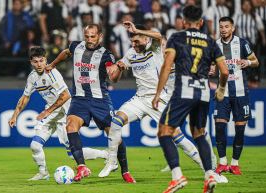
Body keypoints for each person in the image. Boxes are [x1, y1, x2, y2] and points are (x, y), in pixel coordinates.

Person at [99, 21, 206, 183]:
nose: (134, 44)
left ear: (145, 40)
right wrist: (117, 68)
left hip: (159, 99)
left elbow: (158, 36)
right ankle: (112, 161)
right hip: (140, 99)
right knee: (116, 120)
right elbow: (114, 79)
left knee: (176, 136)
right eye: (132, 41)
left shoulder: (154, 49)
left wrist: (137, 29)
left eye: (137, 41)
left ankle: (207, 169)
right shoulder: (130, 54)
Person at [152, 5, 229, 193]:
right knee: (199, 133)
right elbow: (224, 71)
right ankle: (210, 173)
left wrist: (157, 93)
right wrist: (220, 88)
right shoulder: (211, 42)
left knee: (164, 131)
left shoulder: (177, 38)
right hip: (203, 92)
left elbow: (166, 66)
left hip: (184, 90)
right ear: (201, 22)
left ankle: (177, 177)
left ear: (184, 22)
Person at [8, 46, 109, 181]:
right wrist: (15, 115)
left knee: (73, 155)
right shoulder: (32, 77)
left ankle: (106, 155)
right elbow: (25, 97)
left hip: (65, 113)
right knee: (35, 145)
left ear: (46, 60)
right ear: (31, 62)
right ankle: (43, 172)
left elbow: (66, 95)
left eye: (41, 61)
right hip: (51, 113)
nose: (39, 64)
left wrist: (47, 111)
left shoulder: (52, 73)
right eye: (36, 61)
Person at [45, 24, 122, 182]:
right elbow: (66, 52)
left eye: (93, 36)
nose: (89, 40)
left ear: (99, 36)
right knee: (70, 127)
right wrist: (52, 64)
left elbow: (112, 76)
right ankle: (82, 167)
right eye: (87, 36)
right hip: (79, 98)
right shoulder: (76, 46)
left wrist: (117, 71)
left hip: (99, 99)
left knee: (113, 134)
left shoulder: (106, 55)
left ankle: (122, 168)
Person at [214, 16, 259, 175]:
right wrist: (211, 70)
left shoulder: (242, 43)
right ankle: (222, 162)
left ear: (232, 28)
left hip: (240, 93)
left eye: (226, 26)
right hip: (223, 93)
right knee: (219, 126)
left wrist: (248, 63)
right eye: (221, 27)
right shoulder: (215, 45)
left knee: (240, 129)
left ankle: (234, 163)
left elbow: (255, 61)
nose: (224, 29)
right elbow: (212, 67)